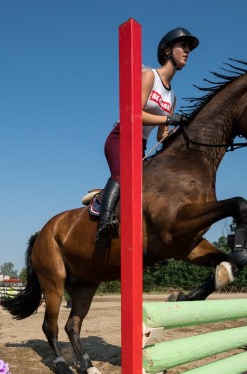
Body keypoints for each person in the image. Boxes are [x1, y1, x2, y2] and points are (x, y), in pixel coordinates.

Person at [95, 27, 199, 244]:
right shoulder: (150, 76)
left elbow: (162, 136)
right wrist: (170, 119)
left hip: (141, 144)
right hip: (121, 137)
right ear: (169, 50)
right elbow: (134, 114)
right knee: (124, 174)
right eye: (183, 46)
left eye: (189, 48)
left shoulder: (172, 96)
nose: (187, 52)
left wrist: (182, 129)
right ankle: (104, 223)